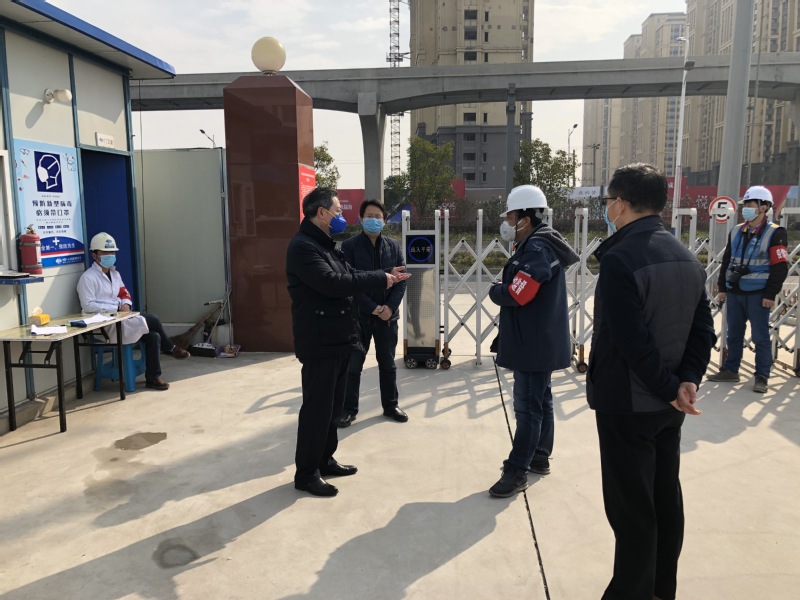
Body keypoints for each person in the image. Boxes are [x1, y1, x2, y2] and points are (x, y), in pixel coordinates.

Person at [587, 163, 716, 600]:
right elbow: (703, 330)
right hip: (669, 407)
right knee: (665, 500)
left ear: (621, 204)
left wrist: (668, 387)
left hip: (628, 404)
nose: (608, 209)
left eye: (608, 201)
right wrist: (686, 382)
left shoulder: (621, 258)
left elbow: (629, 340)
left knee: (632, 511)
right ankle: (662, 590)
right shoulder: (685, 256)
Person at [286, 188, 410, 497]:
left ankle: (325, 460)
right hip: (319, 341)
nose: (341, 216)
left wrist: (386, 273)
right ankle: (307, 473)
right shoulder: (303, 247)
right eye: (337, 211)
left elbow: (351, 273)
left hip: (338, 338)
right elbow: (334, 283)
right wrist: (380, 278)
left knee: (332, 407)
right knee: (317, 408)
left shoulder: (325, 245)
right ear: (321, 213)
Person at [487, 185, 579, 498]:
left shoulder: (537, 249)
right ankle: (539, 455)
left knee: (528, 409)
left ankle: (517, 471)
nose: (507, 223)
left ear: (525, 218)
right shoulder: (539, 245)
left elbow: (519, 293)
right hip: (540, 341)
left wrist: (496, 290)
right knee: (542, 400)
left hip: (533, 345)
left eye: (510, 217)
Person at [77, 232, 190, 392]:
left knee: (154, 337)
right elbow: (88, 306)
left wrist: (126, 305)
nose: (110, 255)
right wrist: (116, 308)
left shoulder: (115, 274)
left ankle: (152, 378)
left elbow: (124, 294)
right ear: (94, 255)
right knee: (153, 319)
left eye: (112, 252)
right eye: (105, 252)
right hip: (105, 326)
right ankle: (170, 348)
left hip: (121, 320)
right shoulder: (88, 278)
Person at [706, 185, 788, 393]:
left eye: (750, 204)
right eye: (745, 205)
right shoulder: (736, 231)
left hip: (759, 294)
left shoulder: (775, 233)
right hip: (735, 291)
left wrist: (770, 294)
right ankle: (731, 370)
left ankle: (762, 376)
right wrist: (722, 287)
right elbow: (726, 261)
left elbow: (780, 267)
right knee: (733, 334)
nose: (746, 208)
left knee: (760, 337)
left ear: (764, 207)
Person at [336, 199, 408, 428]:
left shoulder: (393, 246)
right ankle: (348, 410)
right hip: (359, 317)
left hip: (388, 318)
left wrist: (389, 308)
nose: (374, 220)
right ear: (360, 219)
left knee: (387, 364)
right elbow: (350, 281)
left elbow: (401, 281)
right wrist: (372, 308)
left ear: (385, 221)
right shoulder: (349, 247)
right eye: (369, 216)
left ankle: (391, 405)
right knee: (353, 366)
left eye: (378, 216)